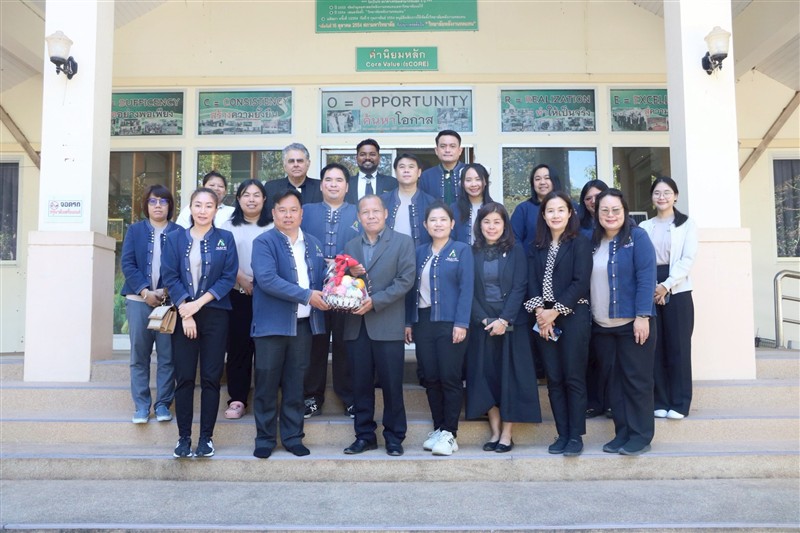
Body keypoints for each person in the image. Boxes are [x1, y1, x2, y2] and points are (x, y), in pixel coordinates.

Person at [250, 189, 329, 459]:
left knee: (296, 385)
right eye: (282, 210)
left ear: (301, 214)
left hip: (303, 326)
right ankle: (265, 439)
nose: (288, 215)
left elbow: (323, 278)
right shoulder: (264, 242)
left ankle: (293, 437)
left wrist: (343, 276)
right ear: (273, 213)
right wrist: (307, 295)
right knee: (266, 384)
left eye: (293, 210)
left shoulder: (314, 244)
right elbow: (267, 279)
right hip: (271, 326)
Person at [161, 187, 238, 458]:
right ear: (190, 208)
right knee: (184, 377)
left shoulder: (225, 239)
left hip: (215, 314)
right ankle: (183, 438)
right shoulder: (174, 238)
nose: (202, 210)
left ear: (216, 210)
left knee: (210, 378)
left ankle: (206, 438)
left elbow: (228, 277)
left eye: (208, 206)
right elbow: (170, 276)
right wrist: (187, 311)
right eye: (198, 205)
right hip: (184, 315)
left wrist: (197, 304)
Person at [342, 195, 415, 457]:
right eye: (365, 212)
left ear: (385, 213)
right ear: (359, 217)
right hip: (356, 325)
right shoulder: (350, 245)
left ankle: (394, 437)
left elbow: (406, 280)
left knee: (392, 385)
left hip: (387, 324)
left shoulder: (403, 242)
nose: (371, 216)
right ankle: (364, 436)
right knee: (360, 385)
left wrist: (375, 302)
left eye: (375, 211)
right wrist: (346, 277)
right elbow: (342, 282)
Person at [467, 202, 541, 453]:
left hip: (512, 323)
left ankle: (507, 434)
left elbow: (520, 287)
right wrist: (483, 319)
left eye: (497, 222)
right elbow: (468, 290)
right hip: (482, 323)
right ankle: (495, 431)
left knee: (510, 378)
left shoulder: (516, 249)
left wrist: (504, 320)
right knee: (485, 377)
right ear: (479, 225)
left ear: (505, 225)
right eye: (486, 222)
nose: (491, 227)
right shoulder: (472, 251)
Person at [525, 191, 592, 456]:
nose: (555, 215)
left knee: (573, 377)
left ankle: (575, 436)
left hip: (573, 316)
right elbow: (531, 282)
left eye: (561, 210)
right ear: (543, 215)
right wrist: (541, 314)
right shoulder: (535, 246)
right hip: (544, 319)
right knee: (553, 378)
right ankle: (562, 433)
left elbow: (580, 282)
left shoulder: (580, 242)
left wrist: (555, 312)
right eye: (550, 210)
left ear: (570, 213)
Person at [591, 188, 657, 455]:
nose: (610, 215)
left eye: (615, 210)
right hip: (602, 326)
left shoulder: (637, 237)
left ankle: (640, 436)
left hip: (632, 324)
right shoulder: (592, 240)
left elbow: (646, 277)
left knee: (637, 382)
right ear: (597, 213)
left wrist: (643, 316)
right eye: (604, 210)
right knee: (614, 384)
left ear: (625, 211)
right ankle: (622, 433)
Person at [405, 202, 474, 456]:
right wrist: (408, 322)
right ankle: (438, 428)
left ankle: (450, 433)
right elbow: (411, 290)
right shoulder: (419, 251)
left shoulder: (462, 250)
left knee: (449, 377)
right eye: (433, 220)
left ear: (452, 224)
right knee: (431, 376)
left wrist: (461, 323)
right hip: (423, 322)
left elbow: (467, 289)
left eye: (443, 219)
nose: (438, 224)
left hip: (450, 322)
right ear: (425, 225)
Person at [300, 163, 361, 418]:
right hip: (314, 288)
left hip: (347, 289)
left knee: (345, 342)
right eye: (328, 179)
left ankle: (349, 397)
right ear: (321, 185)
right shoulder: (306, 211)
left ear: (347, 186)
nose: (333, 184)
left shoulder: (358, 212)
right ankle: (312, 397)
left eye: (339, 180)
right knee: (316, 342)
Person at [120, 184, 181, 424]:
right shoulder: (135, 231)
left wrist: (164, 291)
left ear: (170, 206)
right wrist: (145, 292)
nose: (158, 206)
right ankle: (142, 406)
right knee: (139, 355)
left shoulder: (179, 232)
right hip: (139, 300)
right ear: (146, 205)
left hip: (167, 303)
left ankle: (163, 404)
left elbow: (181, 267)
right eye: (153, 201)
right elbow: (127, 264)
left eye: (163, 201)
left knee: (167, 355)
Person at [640, 177, 697, 420]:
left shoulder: (687, 224)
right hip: (649, 286)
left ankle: (680, 403)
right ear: (652, 197)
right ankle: (660, 401)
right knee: (656, 347)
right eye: (657, 193)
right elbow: (641, 259)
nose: (661, 197)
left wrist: (666, 286)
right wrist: (653, 288)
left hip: (678, 289)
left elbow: (687, 259)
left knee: (678, 347)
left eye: (666, 192)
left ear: (675, 196)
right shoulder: (644, 227)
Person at [219, 179, 273, 420]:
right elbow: (222, 259)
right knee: (238, 348)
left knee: (267, 349)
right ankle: (237, 399)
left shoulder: (273, 224)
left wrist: (262, 283)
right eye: (246, 194)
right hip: (238, 295)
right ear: (238, 199)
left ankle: (265, 398)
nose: (251, 199)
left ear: (264, 199)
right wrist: (241, 278)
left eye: (256, 194)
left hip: (269, 297)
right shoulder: (228, 226)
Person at [382, 153, 436, 249]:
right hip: (388, 255)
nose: (406, 170)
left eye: (411, 167)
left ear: (419, 172)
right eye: (402, 167)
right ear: (395, 172)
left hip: (420, 256)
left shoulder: (431, 203)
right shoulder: (382, 201)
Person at [510, 164, 568, 254]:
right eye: (537, 179)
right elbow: (514, 240)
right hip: (530, 260)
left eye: (547, 178)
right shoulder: (523, 209)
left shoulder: (569, 206)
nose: (542, 182)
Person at [264, 143, 323, 220]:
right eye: (291, 161)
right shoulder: (271, 188)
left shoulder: (321, 187)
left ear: (308, 164)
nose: (296, 165)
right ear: (284, 165)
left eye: (300, 161)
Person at [419, 129, 466, 205]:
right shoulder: (426, 176)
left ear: (460, 150)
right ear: (436, 150)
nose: (447, 150)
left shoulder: (470, 172)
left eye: (452, 146)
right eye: (443, 146)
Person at [345, 139, 398, 203]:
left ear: (379, 158)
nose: (367, 158)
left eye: (372, 154)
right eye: (363, 154)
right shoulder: (346, 183)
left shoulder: (392, 183)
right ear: (356, 158)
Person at [452, 163, 493, 245]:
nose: (473, 184)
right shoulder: (453, 209)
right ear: (462, 184)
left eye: (478, 179)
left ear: (485, 182)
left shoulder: (495, 209)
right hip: (461, 253)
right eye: (468, 180)